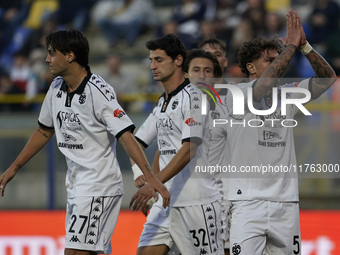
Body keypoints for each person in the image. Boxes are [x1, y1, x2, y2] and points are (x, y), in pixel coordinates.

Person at [0, 29, 170, 255]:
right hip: (76, 186)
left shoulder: (98, 91)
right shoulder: (55, 87)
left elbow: (125, 136)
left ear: (70, 56)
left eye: (52, 53)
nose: (47, 59)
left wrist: (150, 177)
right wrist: (14, 167)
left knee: (75, 253)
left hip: (99, 185)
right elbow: (43, 131)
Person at [223, 10, 336, 254]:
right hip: (247, 203)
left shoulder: (287, 95)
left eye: (279, 58)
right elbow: (262, 86)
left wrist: (304, 47)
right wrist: (290, 48)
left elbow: (327, 79)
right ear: (251, 67)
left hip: (286, 203)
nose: (279, 64)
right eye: (270, 59)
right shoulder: (237, 94)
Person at [129, 34, 224, 255]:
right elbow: (135, 144)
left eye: (159, 60)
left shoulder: (194, 97)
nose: (152, 66)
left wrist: (152, 182)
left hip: (196, 202)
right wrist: (138, 173)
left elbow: (188, 149)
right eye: (151, 60)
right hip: (164, 202)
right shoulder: (163, 102)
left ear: (178, 60)